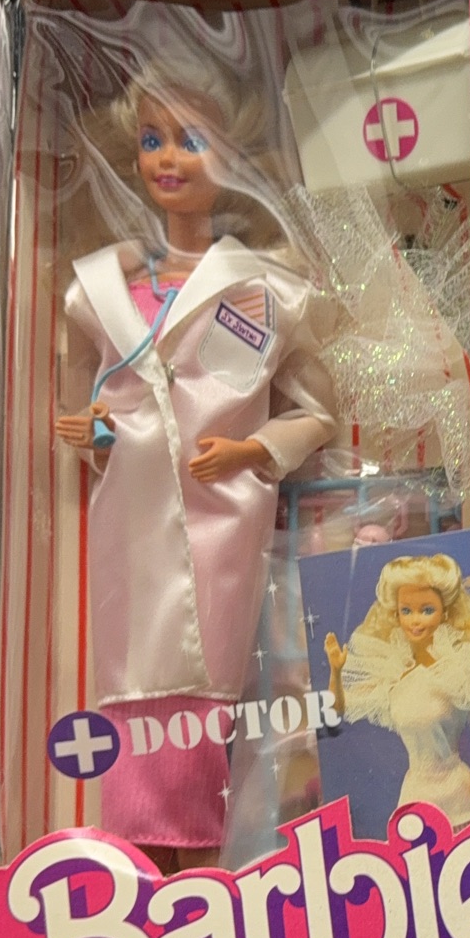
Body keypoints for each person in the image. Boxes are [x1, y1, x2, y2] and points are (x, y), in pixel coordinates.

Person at [56, 48, 341, 873]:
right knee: (130, 677)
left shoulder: (267, 291)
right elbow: (95, 405)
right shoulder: (100, 289)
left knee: (211, 676)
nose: (169, 159)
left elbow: (316, 413)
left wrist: (253, 447)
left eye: (192, 140)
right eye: (152, 140)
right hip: (128, 523)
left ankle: (208, 869)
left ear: (234, 156)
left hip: (223, 526)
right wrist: (93, 434)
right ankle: (137, 866)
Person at [324, 552, 470, 827]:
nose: (415, 620)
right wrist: (336, 671)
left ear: (444, 613)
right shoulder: (394, 675)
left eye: (426, 610)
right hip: (415, 797)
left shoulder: (457, 668)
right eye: (407, 611)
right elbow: (338, 709)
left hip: (461, 797)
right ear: (396, 614)